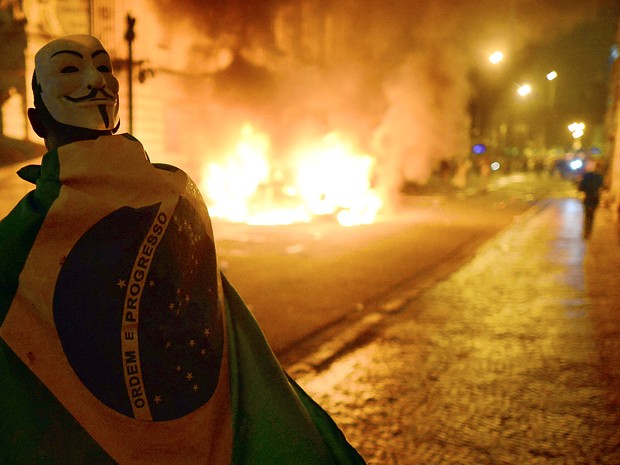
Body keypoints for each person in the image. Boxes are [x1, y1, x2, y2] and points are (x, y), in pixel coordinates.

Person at [0, 34, 365, 465]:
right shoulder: (178, 193)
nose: (96, 80)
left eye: (103, 66)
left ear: (36, 122)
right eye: (70, 69)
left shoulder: (22, 238)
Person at [578, 160, 604, 239]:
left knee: (587, 215)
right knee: (592, 215)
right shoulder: (600, 177)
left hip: (587, 197)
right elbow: (601, 187)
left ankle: (586, 231)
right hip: (595, 198)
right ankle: (590, 231)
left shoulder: (586, 176)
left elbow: (581, 187)